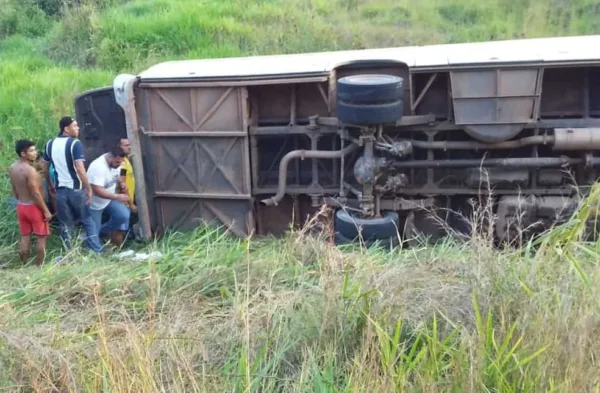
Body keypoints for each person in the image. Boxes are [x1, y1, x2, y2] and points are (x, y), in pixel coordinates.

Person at [42, 116, 103, 254]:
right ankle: (96, 250)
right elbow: (80, 169)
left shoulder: (50, 144)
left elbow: (44, 167)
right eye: (75, 126)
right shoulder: (75, 144)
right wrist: (88, 188)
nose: (78, 128)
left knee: (66, 224)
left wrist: (51, 185)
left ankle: (70, 253)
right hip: (76, 190)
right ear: (66, 128)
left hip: (60, 192)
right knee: (88, 220)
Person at [9, 140, 52, 265]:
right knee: (41, 237)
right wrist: (45, 210)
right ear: (23, 153)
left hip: (21, 206)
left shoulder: (13, 167)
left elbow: (14, 189)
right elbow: (35, 193)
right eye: (32, 151)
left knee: (25, 236)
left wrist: (19, 199)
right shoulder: (30, 171)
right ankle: (39, 266)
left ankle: (24, 264)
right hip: (34, 208)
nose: (35, 153)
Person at [87, 146, 131, 247]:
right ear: (111, 158)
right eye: (117, 162)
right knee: (94, 233)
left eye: (120, 162)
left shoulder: (117, 162)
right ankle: (96, 253)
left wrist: (121, 182)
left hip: (109, 199)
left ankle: (102, 231)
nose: (119, 164)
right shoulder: (98, 167)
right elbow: (97, 190)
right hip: (95, 203)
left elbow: (118, 173)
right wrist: (117, 197)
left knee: (123, 215)